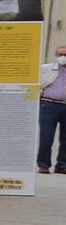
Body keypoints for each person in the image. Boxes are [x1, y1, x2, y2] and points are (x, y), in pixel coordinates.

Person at [40, 43, 66, 174]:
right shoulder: (46, 68)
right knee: (46, 136)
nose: (63, 57)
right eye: (61, 54)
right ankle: (44, 165)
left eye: (65, 55)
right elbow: (35, 82)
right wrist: (39, 92)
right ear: (56, 56)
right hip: (49, 104)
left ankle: (62, 165)